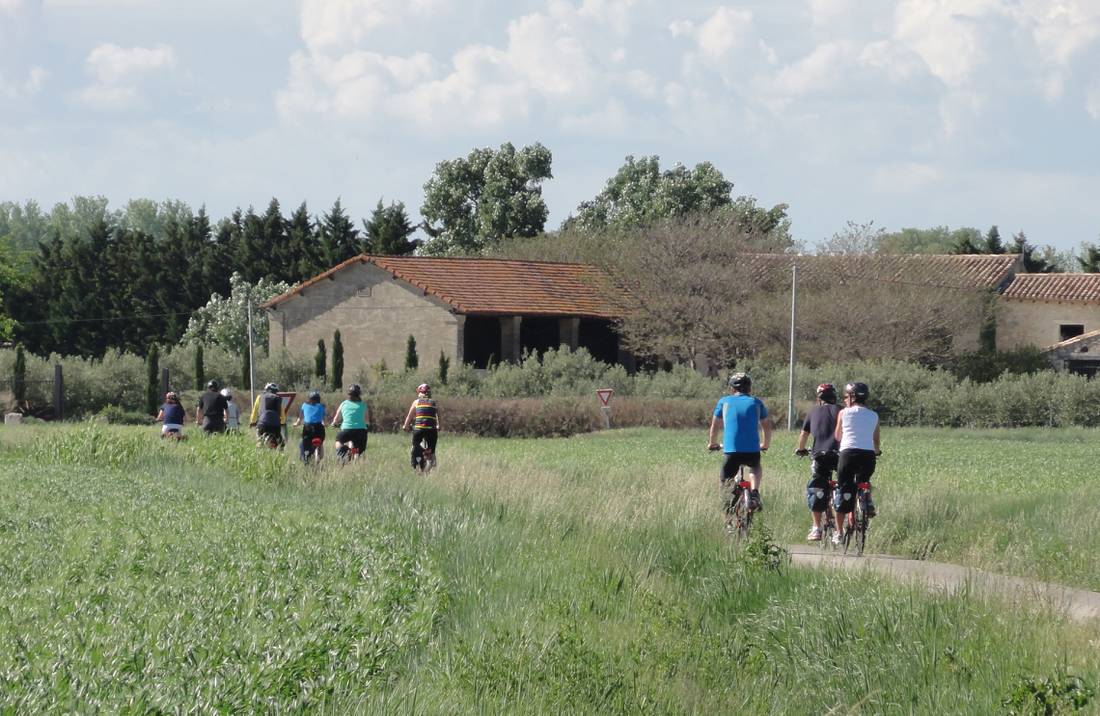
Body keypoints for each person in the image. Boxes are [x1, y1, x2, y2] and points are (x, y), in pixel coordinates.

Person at [707, 372, 772, 522]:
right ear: (749, 388)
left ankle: (728, 520)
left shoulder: (724, 402)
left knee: (725, 484)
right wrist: (765, 444)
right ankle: (754, 492)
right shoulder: (756, 403)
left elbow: (715, 425)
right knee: (755, 466)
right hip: (752, 450)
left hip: (731, 451)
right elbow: (766, 426)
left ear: (732, 388)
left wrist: (712, 443)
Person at [831, 381, 881, 545]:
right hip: (868, 456)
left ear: (852, 397)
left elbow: (838, 436)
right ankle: (867, 499)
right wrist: (876, 451)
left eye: (846, 396)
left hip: (848, 455)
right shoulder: (874, 415)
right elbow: (876, 441)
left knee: (843, 490)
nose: (845, 399)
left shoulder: (844, 413)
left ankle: (838, 533)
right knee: (864, 481)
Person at [795, 383, 842, 541]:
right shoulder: (842, 410)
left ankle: (816, 528)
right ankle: (842, 525)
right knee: (844, 482)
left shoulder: (813, 412)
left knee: (816, 486)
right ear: (834, 396)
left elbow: (803, 435)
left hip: (820, 455)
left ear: (819, 398)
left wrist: (800, 449)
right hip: (841, 455)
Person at [402, 382, 441, 471]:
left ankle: (415, 466)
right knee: (431, 450)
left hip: (419, 429)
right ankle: (431, 465)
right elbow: (439, 415)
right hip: (432, 430)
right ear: (429, 393)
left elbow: (409, 416)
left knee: (415, 446)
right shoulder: (434, 403)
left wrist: (405, 426)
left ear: (419, 393)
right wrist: (439, 425)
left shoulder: (416, 402)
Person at [331, 383, 370, 459]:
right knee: (357, 450)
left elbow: (336, 419)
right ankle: (355, 460)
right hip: (361, 431)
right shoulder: (363, 405)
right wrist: (366, 425)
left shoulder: (344, 404)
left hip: (347, 430)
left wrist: (334, 423)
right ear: (359, 394)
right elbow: (367, 421)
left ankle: (343, 451)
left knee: (338, 441)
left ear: (349, 394)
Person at [294, 390, 327, 462]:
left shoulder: (304, 405)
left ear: (309, 399)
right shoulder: (322, 406)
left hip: (307, 428)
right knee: (320, 442)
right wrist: (326, 425)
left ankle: (306, 458)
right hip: (319, 429)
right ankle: (319, 450)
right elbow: (324, 421)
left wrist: (296, 424)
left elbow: (299, 419)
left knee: (305, 444)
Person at [249, 382, 286, 448]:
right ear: (276, 391)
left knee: (259, 441)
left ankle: (259, 451)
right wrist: (282, 423)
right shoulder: (278, 399)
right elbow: (282, 416)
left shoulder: (260, 397)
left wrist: (252, 421)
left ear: (266, 389)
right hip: (275, 426)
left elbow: (255, 411)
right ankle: (280, 454)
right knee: (281, 444)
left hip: (262, 425)